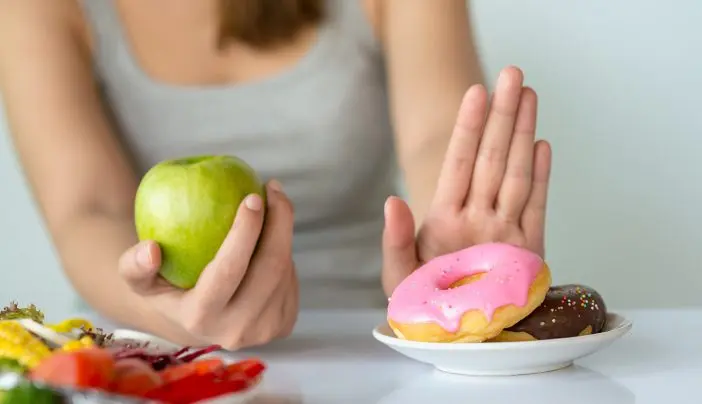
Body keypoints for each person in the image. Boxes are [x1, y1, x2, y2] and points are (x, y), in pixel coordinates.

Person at [0, 0, 551, 350]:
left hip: (363, 351)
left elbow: (437, 135)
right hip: (150, 358)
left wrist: (452, 254)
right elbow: (87, 208)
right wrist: (167, 316)